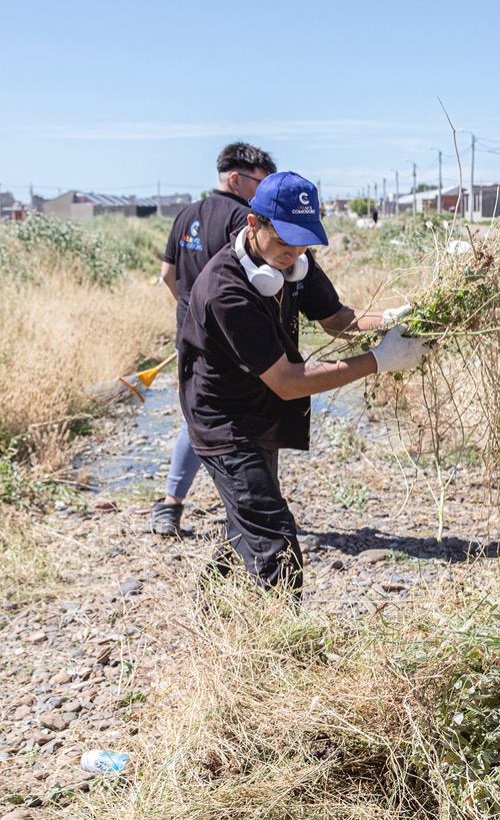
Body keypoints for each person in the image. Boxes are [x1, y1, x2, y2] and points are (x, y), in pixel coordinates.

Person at [179, 171, 425, 594]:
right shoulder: (226, 289)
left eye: (302, 243)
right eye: (283, 242)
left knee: (246, 524)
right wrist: (378, 361)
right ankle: (279, 629)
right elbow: (288, 382)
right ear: (253, 224)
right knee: (274, 541)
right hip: (223, 422)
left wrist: (391, 320)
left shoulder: (294, 263)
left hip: (259, 411)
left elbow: (337, 319)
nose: (292, 254)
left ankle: (211, 609)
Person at [152, 142, 277, 536]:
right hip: (229, 339)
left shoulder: (186, 214)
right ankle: (246, 516)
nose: (263, 192)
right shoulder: (244, 219)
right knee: (232, 422)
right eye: (260, 183)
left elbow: (167, 274)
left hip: (188, 333)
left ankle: (171, 505)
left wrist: (191, 312)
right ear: (236, 179)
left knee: (196, 415)